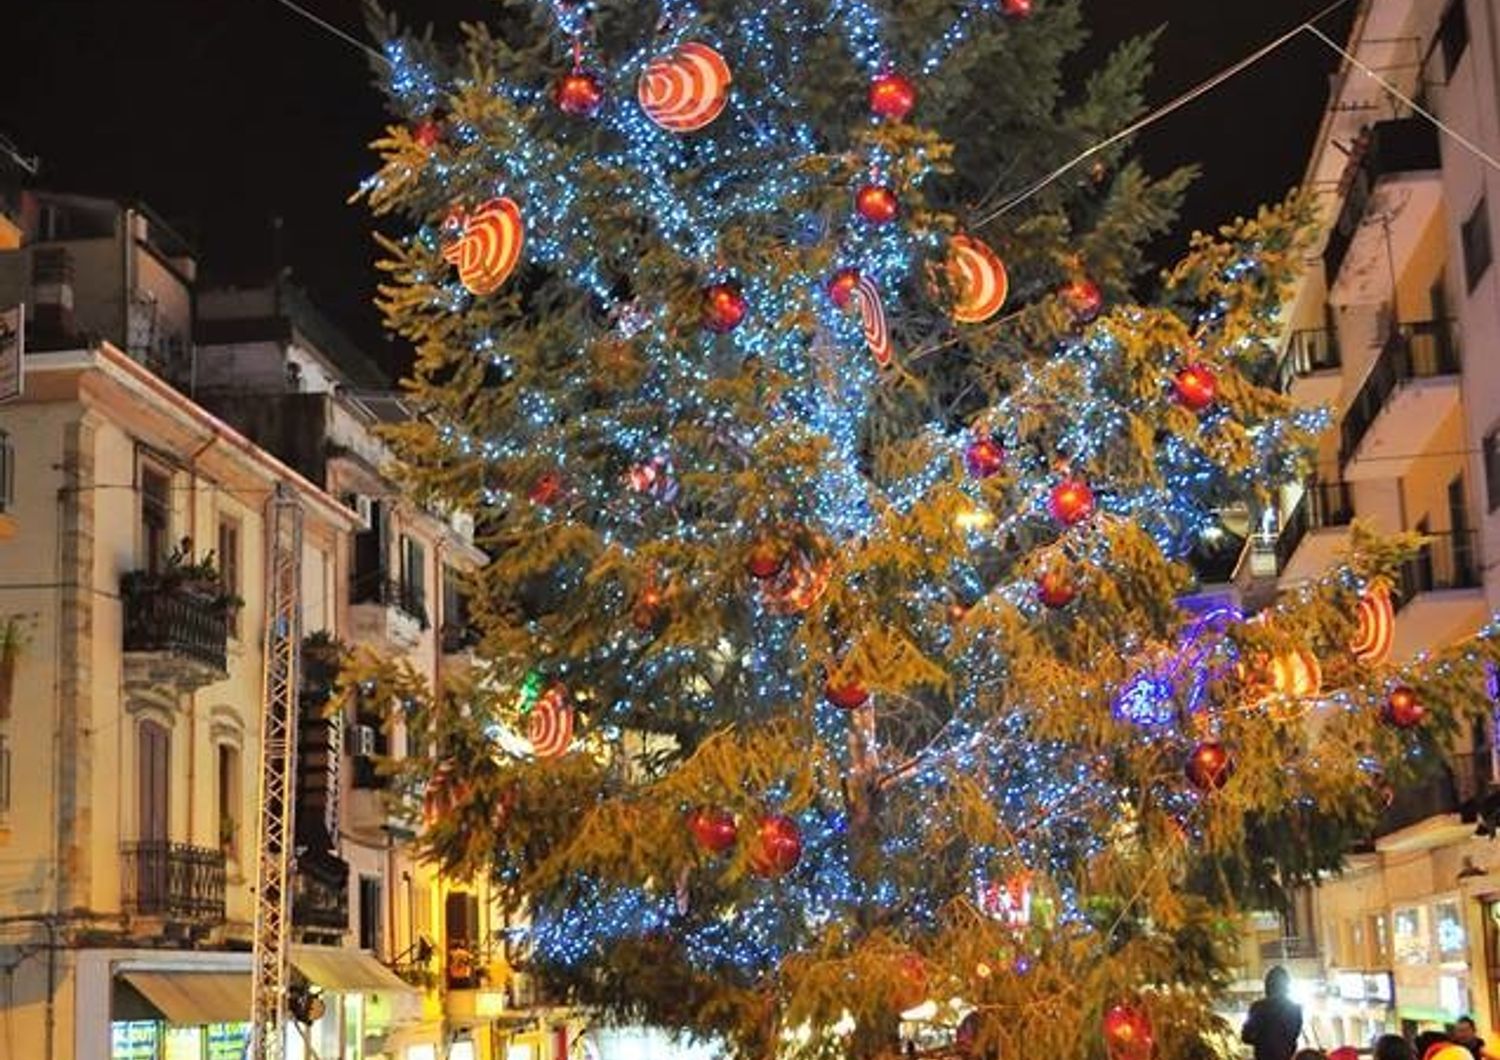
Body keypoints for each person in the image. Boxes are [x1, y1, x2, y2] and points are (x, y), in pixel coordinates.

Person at [1243, 967, 1304, 1060]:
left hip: (1263, 1056)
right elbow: (1293, 1037)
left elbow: (1246, 1037)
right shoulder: (1295, 1009)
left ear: (1267, 985)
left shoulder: (1258, 1008)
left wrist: (1261, 1039)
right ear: (1286, 986)